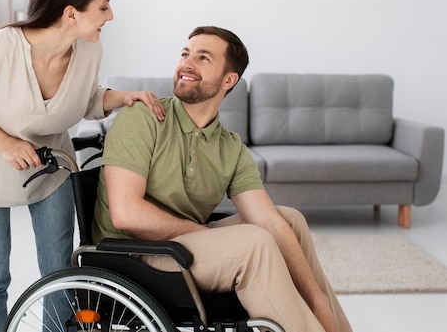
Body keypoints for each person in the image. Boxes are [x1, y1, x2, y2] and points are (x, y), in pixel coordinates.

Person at [0, 0, 165, 332]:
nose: (111, 16)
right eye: (104, 6)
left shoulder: (90, 49)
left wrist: (124, 97)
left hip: (52, 169)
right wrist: (4, 141)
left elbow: (84, 98)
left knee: (60, 274)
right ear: (71, 13)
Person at [92, 26, 353, 332]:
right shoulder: (144, 117)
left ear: (229, 80)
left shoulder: (230, 147)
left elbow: (268, 220)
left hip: (184, 249)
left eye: (203, 58)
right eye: (185, 54)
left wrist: (316, 298)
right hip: (135, 254)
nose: (187, 64)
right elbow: (126, 215)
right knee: (254, 244)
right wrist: (200, 232)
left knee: (288, 220)